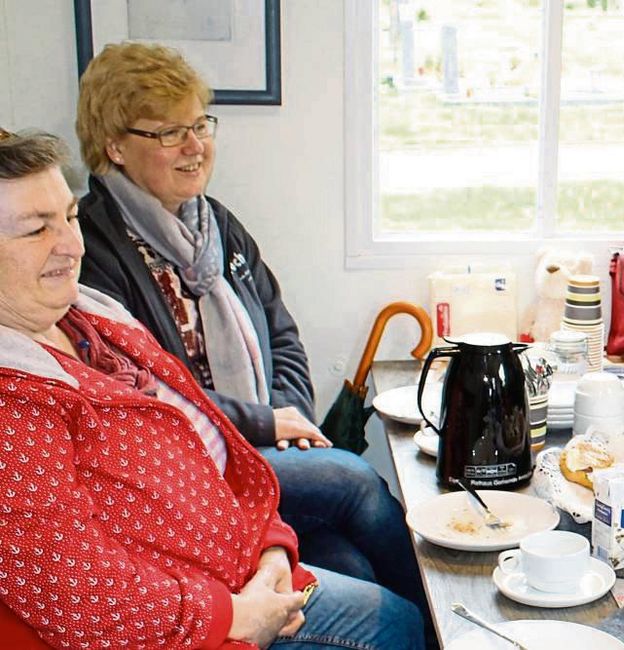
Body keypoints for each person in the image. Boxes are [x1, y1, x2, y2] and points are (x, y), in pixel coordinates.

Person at [0, 128, 423, 648]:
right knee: (395, 618)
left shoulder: (91, 321)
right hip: (198, 618)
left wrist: (271, 549)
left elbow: (211, 448)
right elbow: (83, 596)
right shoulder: (14, 408)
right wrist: (237, 616)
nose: (71, 243)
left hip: (237, 563)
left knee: (356, 564)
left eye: (67, 216)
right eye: (35, 230)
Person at [72, 43, 431, 629]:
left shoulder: (216, 224)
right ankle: (444, 626)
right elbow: (140, 394)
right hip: (189, 467)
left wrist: (285, 416)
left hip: (257, 441)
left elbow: (282, 333)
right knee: (353, 481)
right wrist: (261, 426)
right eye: (169, 133)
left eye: (199, 125)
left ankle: (428, 628)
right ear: (115, 145)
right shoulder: (92, 251)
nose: (195, 147)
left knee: (353, 566)